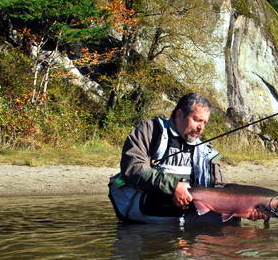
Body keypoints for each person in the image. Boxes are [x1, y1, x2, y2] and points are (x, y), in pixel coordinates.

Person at [108, 92, 266, 224]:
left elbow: (220, 190)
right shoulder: (150, 131)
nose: (201, 127)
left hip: (183, 221)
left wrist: (245, 209)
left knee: (233, 223)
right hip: (145, 217)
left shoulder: (206, 152)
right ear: (179, 114)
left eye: (204, 122)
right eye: (197, 120)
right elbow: (132, 168)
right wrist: (174, 186)